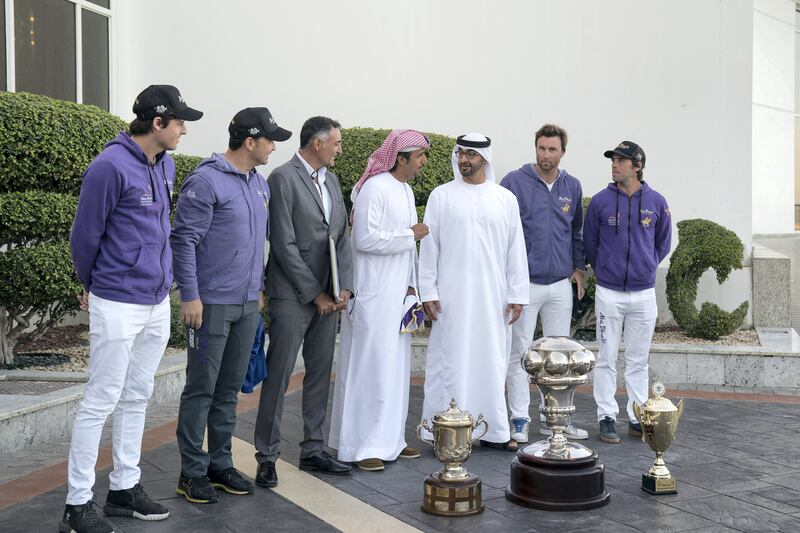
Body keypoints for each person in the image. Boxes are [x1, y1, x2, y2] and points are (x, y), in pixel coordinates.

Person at [64, 85, 202, 533]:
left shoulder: (166, 164)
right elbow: (85, 237)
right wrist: (95, 285)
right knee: (100, 400)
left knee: (136, 396)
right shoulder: (108, 167)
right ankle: (77, 503)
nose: (184, 128)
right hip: (117, 301)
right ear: (157, 123)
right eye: (179, 121)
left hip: (156, 301)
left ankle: (124, 489)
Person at [171, 107, 291, 503]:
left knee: (228, 392)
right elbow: (183, 240)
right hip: (210, 305)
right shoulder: (206, 181)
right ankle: (191, 472)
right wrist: (190, 295)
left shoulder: (259, 184)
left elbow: (261, 244)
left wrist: (257, 292)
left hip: (245, 305)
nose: (275, 146)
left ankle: (219, 465)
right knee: (201, 389)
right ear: (250, 141)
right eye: (270, 139)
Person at [253, 116, 354, 487]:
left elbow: (342, 236)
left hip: (330, 298)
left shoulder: (332, 180)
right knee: (278, 377)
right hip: (292, 297)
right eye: (336, 143)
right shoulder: (282, 178)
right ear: (316, 144)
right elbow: (283, 244)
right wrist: (316, 294)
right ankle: (266, 455)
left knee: (318, 375)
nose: (340, 149)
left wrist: (344, 288)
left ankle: (313, 449)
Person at [418, 133, 529, 451]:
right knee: (449, 360)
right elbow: (430, 248)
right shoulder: (441, 196)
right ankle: (443, 427)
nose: (464, 160)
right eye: (461, 154)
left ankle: (493, 430)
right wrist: (428, 291)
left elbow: (515, 250)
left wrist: (517, 294)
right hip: (450, 298)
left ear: (485, 159)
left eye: (471, 155)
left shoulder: (504, 198)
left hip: (493, 297)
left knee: (491, 360)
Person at [328, 129, 430, 472]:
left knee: (394, 369)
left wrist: (413, 287)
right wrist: (408, 235)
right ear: (400, 158)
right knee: (369, 368)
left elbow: (409, 251)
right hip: (372, 294)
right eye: (419, 157)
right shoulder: (374, 188)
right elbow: (364, 238)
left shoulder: (405, 189)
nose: (423, 163)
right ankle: (359, 446)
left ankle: (390, 441)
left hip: (398, 295)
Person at [500, 124, 588, 443]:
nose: (546, 154)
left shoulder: (572, 187)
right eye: (541, 148)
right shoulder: (513, 182)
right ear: (535, 148)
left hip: (560, 286)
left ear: (562, 152)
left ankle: (555, 421)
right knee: (520, 353)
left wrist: (578, 268)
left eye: (552, 149)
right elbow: (503, 235)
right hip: (524, 284)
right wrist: (509, 281)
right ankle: (519, 419)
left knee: (557, 356)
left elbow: (576, 232)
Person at [583, 140, 671, 444]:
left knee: (638, 359)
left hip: (644, 294)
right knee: (606, 357)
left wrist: (645, 268)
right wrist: (607, 267)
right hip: (609, 293)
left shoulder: (657, 202)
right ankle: (607, 416)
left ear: (637, 165)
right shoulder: (600, 201)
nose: (614, 165)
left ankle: (636, 414)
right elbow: (590, 243)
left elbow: (662, 244)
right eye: (613, 160)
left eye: (621, 160)